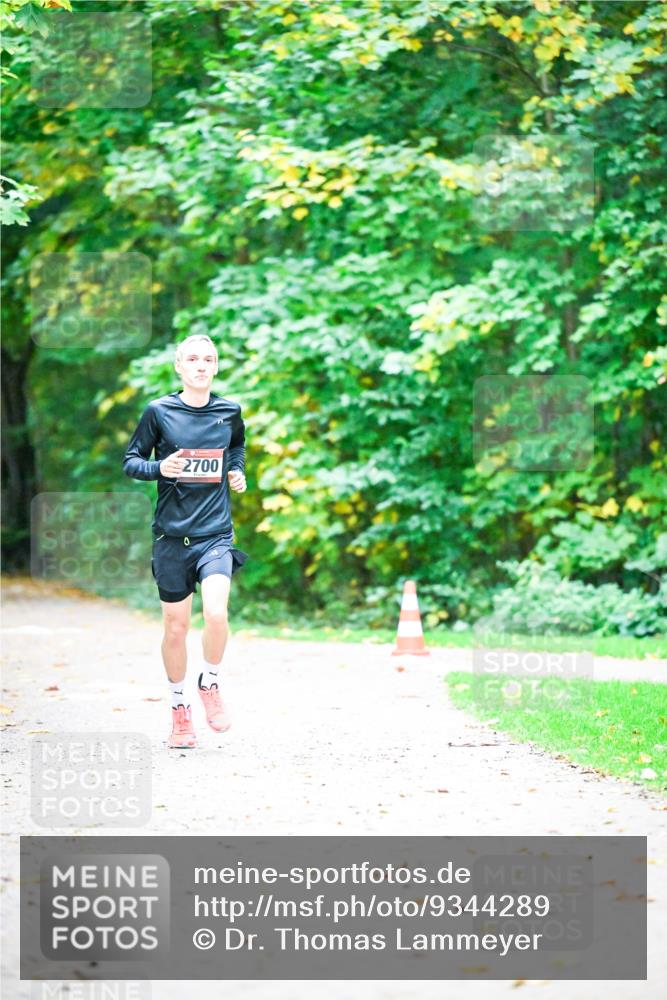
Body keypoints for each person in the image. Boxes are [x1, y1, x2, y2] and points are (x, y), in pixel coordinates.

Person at [122, 334, 248, 749]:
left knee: (215, 613)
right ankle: (179, 709)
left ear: (215, 367)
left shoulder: (230, 411)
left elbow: (237, 448)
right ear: (179, 366)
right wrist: (163, 467)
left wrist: (236, 472)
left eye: (208, 359)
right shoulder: (159, 410)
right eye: (192, 359)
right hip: (171, 537)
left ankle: (209, 682)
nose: (200, 365)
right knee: (175, 629)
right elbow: (131, 462)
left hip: (215, 534)